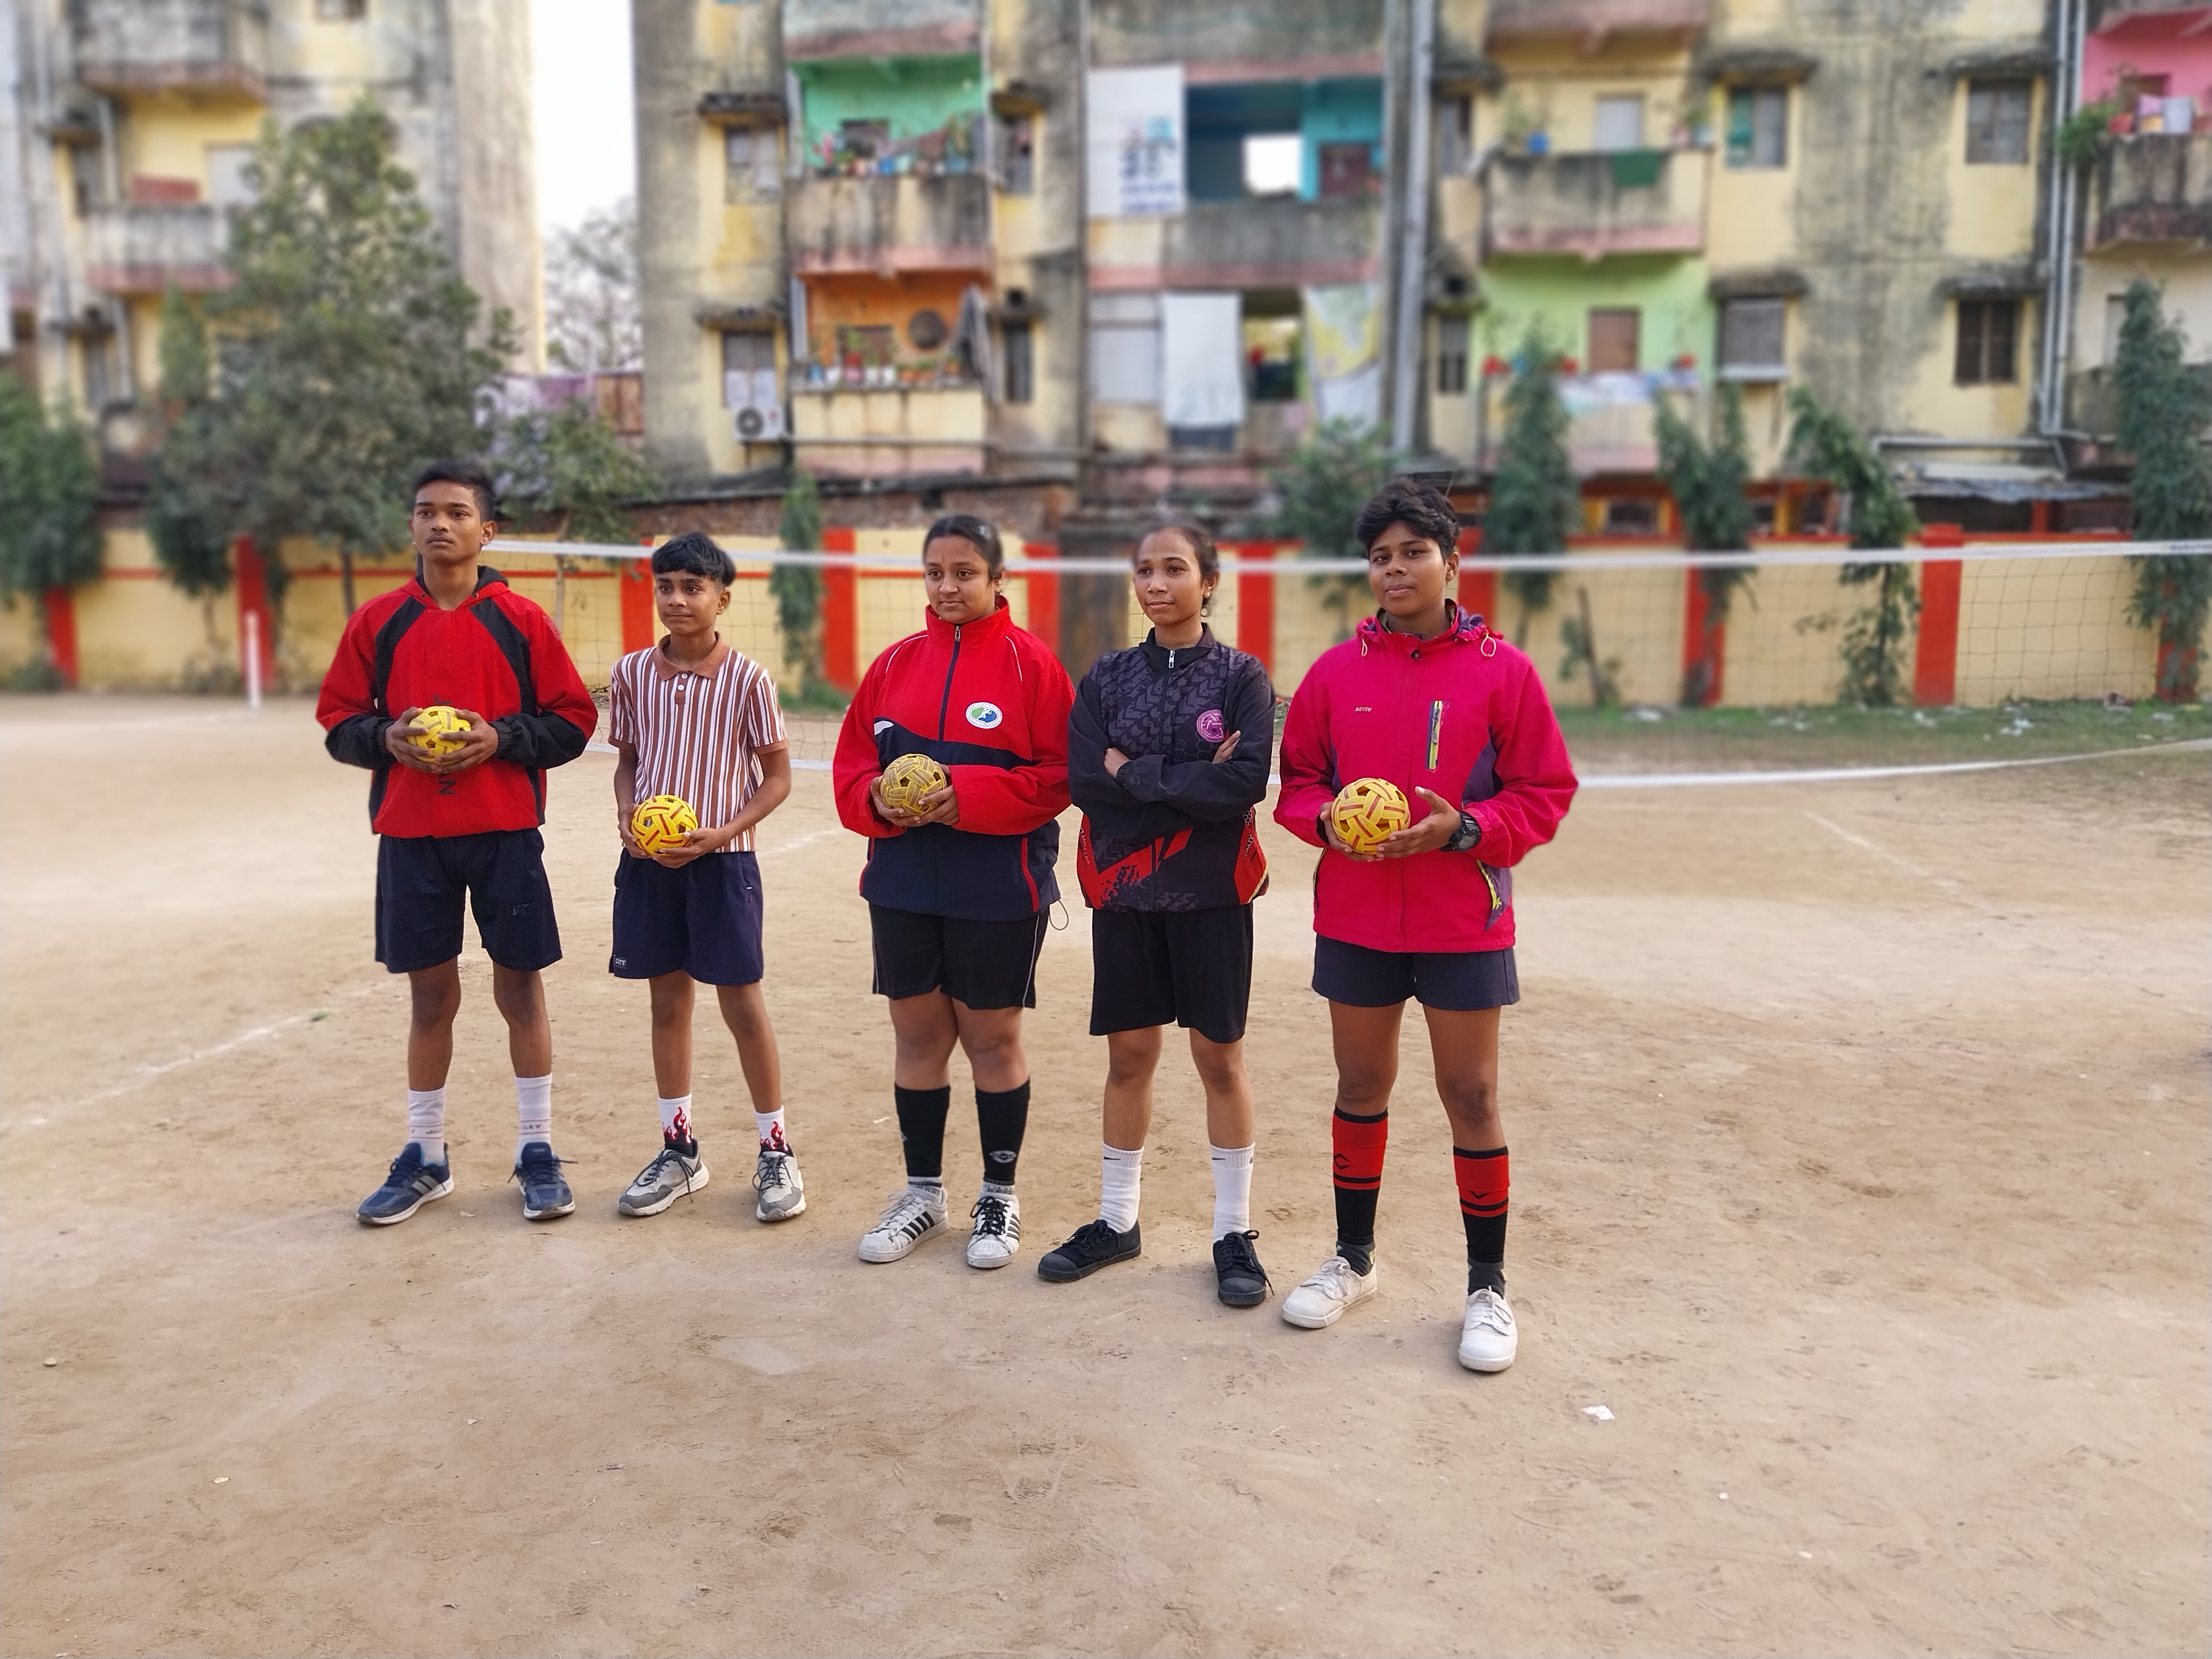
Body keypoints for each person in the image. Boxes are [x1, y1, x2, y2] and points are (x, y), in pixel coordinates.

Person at [1272, 481, 1577, 1371]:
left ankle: (1487, 1289)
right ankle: (1354, 1261)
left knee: (1471, 1095)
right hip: (1358, 916)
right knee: (1361, 1082)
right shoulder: (1335, 674)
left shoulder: (1504, 672)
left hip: (1463, 919)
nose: (1395, 569)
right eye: (1381, 557)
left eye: (1413, 553)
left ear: (1451, 562)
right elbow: (1298, 783)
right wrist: (1325, 822)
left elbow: (1544, 791)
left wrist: (1467, 828)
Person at [319, 460, 599, 1226]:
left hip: (504, 832)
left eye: (457, 512)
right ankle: (426, 1156)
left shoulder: (521, 621)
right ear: (411, 527)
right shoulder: (379, 622)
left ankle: (536, 1150)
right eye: (425, 512)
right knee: (431, 997)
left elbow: (573, 721)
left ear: (488, 530)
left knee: (520, 991)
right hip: (412, 836)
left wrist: (501, 739)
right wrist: (386, 738)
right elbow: (339, 722)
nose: (439, 523)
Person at [1040, 525, 1277, 1306]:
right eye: (1144, 570)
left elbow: (1241, 786)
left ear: (1208, 582)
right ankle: (1118, 1221)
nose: (1156, 584)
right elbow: (1086, 782)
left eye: (1174, 569)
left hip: (1213, 895)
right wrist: (1183, 781)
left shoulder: (1241, 677)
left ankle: (1233, 1233)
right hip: (1126, 894)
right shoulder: (1107, 678)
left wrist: (1133, 772)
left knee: (1220, 1059)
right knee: (1129, 1057)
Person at [831, 515, 1074, 1270]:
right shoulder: (893, 665)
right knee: (917, 1039)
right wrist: (877, 800)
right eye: (935, 573)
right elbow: (849, 772)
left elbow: (1059, 778)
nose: (947, 587)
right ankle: (923, 1195)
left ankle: (999, 1195)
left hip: (997, 888)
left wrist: (968, 795)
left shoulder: (1034, 668)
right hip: (903, 883)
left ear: (999, 579)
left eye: (965, 573)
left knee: (991, 1042)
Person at [607, 532, 805, 1224]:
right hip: (651, 864)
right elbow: (628, 761)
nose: (676, 600)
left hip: (723, 861)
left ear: (722, 599)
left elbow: (777, 778)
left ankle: (776, 1149)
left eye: (692, 588)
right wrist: (627, 811)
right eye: (665, 587)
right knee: (667, 1003)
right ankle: (679, 1150)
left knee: (742, 1004)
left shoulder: (749, 679)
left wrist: (724, 831)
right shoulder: (631, 673)